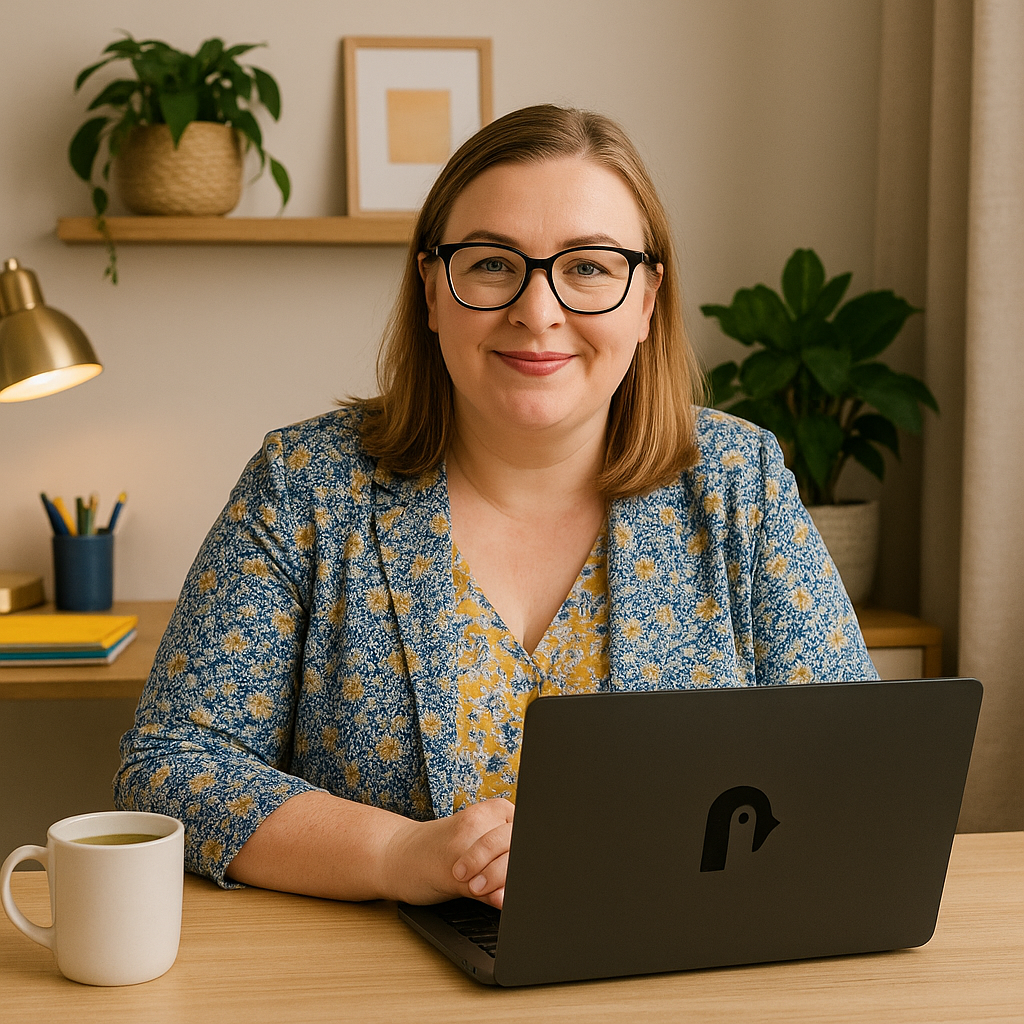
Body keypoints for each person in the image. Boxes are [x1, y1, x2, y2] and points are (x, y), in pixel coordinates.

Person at [114, 104, 877, 910]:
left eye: (588, 267)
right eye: (491, 264)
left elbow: (856, 764)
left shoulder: (738, 482)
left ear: (648, 299)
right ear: (432, 289)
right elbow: (169, 765)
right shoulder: (305, 483)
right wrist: (398, 853)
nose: (537, 312)